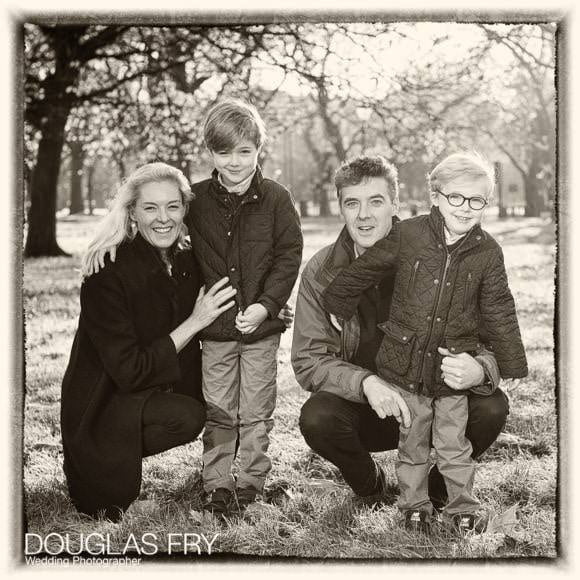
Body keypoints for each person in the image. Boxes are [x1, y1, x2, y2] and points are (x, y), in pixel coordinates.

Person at [88, 99, 303, 516]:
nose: (235, 162)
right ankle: (217, 484)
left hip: (261, 329)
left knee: (256, 410)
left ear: (260, 149)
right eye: (224, 152)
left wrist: (269, 305)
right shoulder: (197, 200)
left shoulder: (277, 198)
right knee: (220, 410)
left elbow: (289, 255)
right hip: (216, 334)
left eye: (245, 151)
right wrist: (106, 243)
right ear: (209, 153)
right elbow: (156, 227)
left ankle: (251, 482)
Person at [292, 155, 509, 530]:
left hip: (438, 404)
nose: (364, 216)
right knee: (318, 417)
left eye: (375, 201)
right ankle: (371, 485)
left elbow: (495, 340)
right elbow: (308, 360)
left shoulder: (450, 259)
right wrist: (365, 383)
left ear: (395, 203)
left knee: (491, 406)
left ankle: (436, 491)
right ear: (340, 208)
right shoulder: (322, 271)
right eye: (352, 203)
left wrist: (481, 367)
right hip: (371, 410)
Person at [62, 162, 237, 521]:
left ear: (184, 209)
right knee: (186, 415)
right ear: (132, 213)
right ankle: (102, 462)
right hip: (103, 400)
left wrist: (269, 309)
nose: (163, 218)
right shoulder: (106, 270)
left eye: (173, 206)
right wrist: (195, 321)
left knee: (204, 405)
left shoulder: (185, 258)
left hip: (148, 387)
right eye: (150, 208)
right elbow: (128, 370)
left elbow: (229, 286)